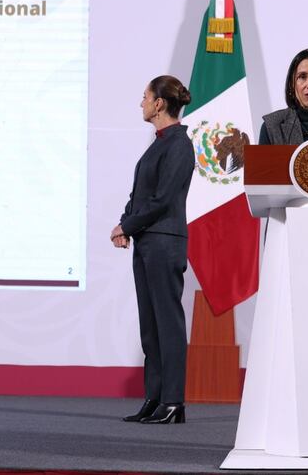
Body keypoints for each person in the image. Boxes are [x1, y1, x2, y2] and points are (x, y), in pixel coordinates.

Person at [111, 75, 194, 425]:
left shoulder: (178, 144)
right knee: (151, 327)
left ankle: (173, 401)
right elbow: (141, 194)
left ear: (159, 103)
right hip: (148, 242)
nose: (141, 103)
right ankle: (155, 398)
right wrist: (125, 221)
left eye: (145, 97)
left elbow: (162, 201)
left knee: (168, 325)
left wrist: (127, 226)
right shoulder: (158, 143)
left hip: (164, 242)